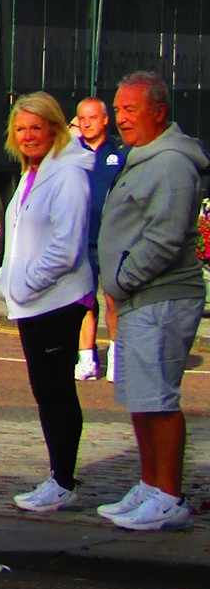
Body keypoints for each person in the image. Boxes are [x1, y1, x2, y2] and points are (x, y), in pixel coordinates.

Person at [94, 71, 210, 532]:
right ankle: (149, 484)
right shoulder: (144, 156)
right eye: (118, 110)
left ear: (159, 112)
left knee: (158, 399)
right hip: (138, 297)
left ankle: (169, 496)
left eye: (130, 110)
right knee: (140, 397)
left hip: (160, 297)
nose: (120, 119)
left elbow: (164, 237)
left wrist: (121, 280)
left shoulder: (170, 164)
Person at [0, 92, 93, 512]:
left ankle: (63, 480)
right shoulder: (31, 174)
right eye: (21, 129)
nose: (28, 136)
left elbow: (65, 246)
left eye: (36, 127)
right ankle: (57, 476)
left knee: (56, 391)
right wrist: (6, 279)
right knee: (44, 390)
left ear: (55, 128)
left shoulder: (69, 175)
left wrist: (26, 284)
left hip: (57, 301)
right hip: (31, 303)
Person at [71, 97, 128, 380]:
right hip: (81, 241)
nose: (86, 123)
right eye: (81, 118)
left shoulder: (120, 153)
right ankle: (87, 359)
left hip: (113, 241)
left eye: (92, 117)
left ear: (105, 119)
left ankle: (116, 356)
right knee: (84, 302)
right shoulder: (71, 153)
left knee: (113, 300)